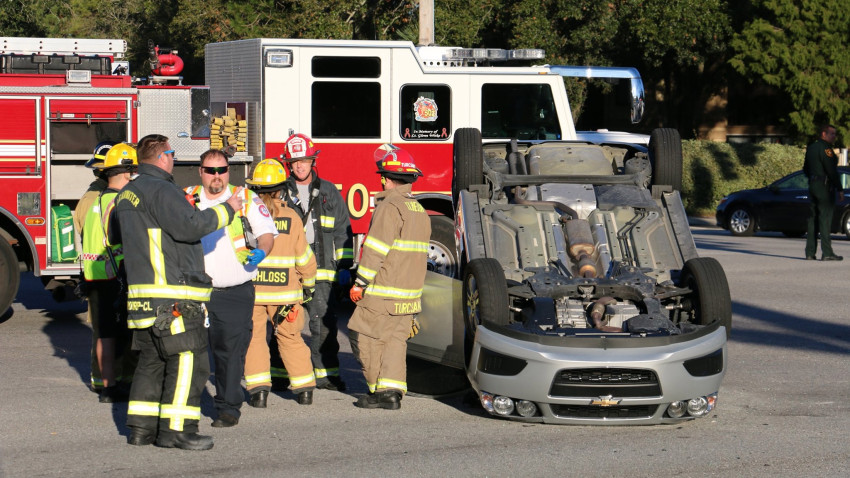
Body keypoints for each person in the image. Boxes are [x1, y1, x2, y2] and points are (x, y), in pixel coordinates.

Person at [111, 134, 243, 451]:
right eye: (171, 153)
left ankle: (141, 430)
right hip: (173, 296)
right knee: (189, 360)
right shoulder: (161, 189)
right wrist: (227, 210)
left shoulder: (127, 194)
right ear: (163, 157)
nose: (173, 158)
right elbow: (190, 227)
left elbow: (119, 235)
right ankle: (178, 431)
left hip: (142, 298)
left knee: (151, 363)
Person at [185, 150, 276, 428]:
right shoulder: (186, 197)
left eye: (222, 170)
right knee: (190, 352)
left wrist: (263, 251)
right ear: (200, 171)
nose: (217, 176)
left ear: (229, 171)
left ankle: (227, 409)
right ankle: (186, 408)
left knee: (229, 354)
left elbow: (267, 234)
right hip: (193, 290)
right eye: (210, 170)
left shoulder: (246, 197)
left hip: (235, 291)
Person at [348, 144, 430, 410]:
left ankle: (376, 390)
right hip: (409, 294)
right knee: (396, 342)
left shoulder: (390, 206)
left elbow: (375, 250)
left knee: (365, 335)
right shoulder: (419, 210)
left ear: (385, 178)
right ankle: (392, 393)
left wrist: (360, 282)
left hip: (384, 290)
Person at [279, 133, 353, 391]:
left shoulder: (329, 191)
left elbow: (344, 229)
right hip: (289, 268)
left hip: (322, 268)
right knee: (285, 321)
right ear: (288, 163)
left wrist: (344, 267)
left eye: (304, 160)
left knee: (323, 324)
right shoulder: (280, 191)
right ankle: (280, 375)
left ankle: (326, 375)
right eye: (294, 161)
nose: (299, 165)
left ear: (313, 161)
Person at [243, 159, 318, 407]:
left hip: (253, 293)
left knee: (255, 339)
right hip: (286, 295)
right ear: (280, 189)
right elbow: (304, 256)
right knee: (291, 339)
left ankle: (259, 393)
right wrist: (309, 283)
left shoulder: (245, 217)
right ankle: (305, 390)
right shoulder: (292, 217)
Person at [80, 143, 138, 403]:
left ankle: (107, 387)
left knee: (104, 333)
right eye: (134, 171)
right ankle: (119, 385)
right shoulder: (119, 202)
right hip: (117, 276)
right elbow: (126, 240)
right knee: (121, 333)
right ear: (126, 173)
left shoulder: (96, 200)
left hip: (95, 275)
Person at [74, 142, 112, 394]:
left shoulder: (88, 199)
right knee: (109, 332)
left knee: (101, 330)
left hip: (96, 275)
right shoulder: (100, 200)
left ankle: (102, 380)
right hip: (109, 275)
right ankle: (110, 381)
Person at [804, 124, 844, 261]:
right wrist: (839, 188)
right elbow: (831, 171)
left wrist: (813, 178)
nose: (834, 136)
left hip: (813, 185)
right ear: (823, 134)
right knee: (825, 219)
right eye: (832, 134)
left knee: (813, 219)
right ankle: (827, 252)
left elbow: (805, 169)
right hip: (824, 187)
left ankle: (810, 252)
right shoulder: (826, 149)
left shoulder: (811, 148)